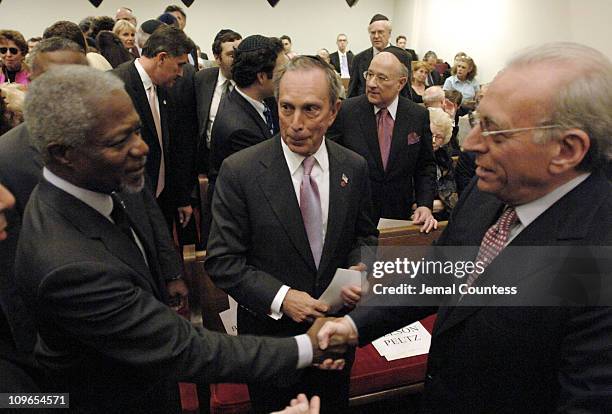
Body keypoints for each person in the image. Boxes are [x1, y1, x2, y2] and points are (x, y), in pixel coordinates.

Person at [16, 65, 344, 414]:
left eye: (137, 131)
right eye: (119, 142)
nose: (141, 148)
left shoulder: (100, 181)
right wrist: (308, 347)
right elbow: (185, 348)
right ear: (63, 153)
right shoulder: (67, 265)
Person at [317, 42, 612, 413]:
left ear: (566, 150)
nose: (470, 145)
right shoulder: (490, 189)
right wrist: (355, 326)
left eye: (493, 131)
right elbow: (440, 274)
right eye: (477, 122)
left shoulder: (598, 253)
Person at [205, 55, 378, 412]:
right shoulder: (241, 171)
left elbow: (365, 238)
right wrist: (284, 298)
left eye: (311, 109)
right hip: (271, 345)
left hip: (335, 335)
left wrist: (362, 270)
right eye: (286, 108)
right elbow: (222, 262)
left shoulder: (353, 167)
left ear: (334, 111)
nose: (295, 124)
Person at [0, 37, 89, 355]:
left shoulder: (109, 133)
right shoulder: (7, 156)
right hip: (58, 330)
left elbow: (140, 208)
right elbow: (12, 271)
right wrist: (34, 346)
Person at [328, 50, 437, 230]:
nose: (371, 83)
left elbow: (425, 165)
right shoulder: (347, 111)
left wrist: (425, 204)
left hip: (397, 216)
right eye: (369, 75)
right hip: (353, 214)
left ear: (400, 83)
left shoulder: (417, 115)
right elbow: (331, 159)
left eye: (381, 78)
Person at [113, 25, 196, 230]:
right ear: (161, 58)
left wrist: (181, 197)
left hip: (161, 201)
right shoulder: (116, 85)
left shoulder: (165, 89)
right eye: (179, 65)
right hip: (130, 203)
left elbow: (172, 147)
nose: (181, 73)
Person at [208, 35, 286, 197]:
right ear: (262, 77)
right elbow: (264, 184)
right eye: (281, 71)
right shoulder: (240, 130)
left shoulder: (256, 101)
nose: (285, 77)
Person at [194, 29, 242, 176]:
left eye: (240, 54)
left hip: (238, 160)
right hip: (207, 161)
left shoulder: (248, 83)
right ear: (217, 57)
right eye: (232, 55)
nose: (238, 59)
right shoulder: (202, 79)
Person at [347, 13, 392, 98]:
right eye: (372, 33)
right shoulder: (358, 59)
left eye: (380, 32)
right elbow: (352, 92)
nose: (376, 36)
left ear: (389, 33)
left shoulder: (402, 57)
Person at [429, 107, 457, 220]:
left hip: (442, 216)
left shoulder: (444, 158)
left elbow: (452, 194)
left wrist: (441, 204)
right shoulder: (409, 157)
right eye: (430, 135)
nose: (433, 140)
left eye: (439, 137)